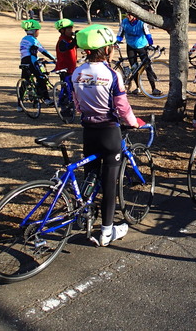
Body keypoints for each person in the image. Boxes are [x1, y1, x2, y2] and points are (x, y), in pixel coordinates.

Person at [72, 24, 146, 247]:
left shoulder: (77, 72)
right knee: (110, 182)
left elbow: (77, 104)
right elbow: (122, 105)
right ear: (106, 50)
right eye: (111, 46)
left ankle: (85, 216)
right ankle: (106, 231)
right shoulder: (112, 74)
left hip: (88, 131)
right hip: (109, 131)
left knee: (91, 176)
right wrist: (134, 123)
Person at [117, 11, 161, 96]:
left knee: (148, 67)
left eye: (130, 14)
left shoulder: (142, 22)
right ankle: (138, 88)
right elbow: (120, 34)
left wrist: (151, 44)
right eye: (127, 14)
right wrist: (117, 41)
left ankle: (154, 89)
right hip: (130, 47)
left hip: (142, 47)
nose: (128, 16)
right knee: (134, 68)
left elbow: (147, 34)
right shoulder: (124, 22)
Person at [18, 19, 56, 110]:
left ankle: (19, 105)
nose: (38, 32)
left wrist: (38, 58)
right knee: (41, 77)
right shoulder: (33, 40)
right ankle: (46, 99)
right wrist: (54, 59)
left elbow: (27, 52)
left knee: (24, 82)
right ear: (34, 31)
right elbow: (43, 50)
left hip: (24, 61)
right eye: (38, 30)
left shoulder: (23, 39)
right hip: (31, 61)